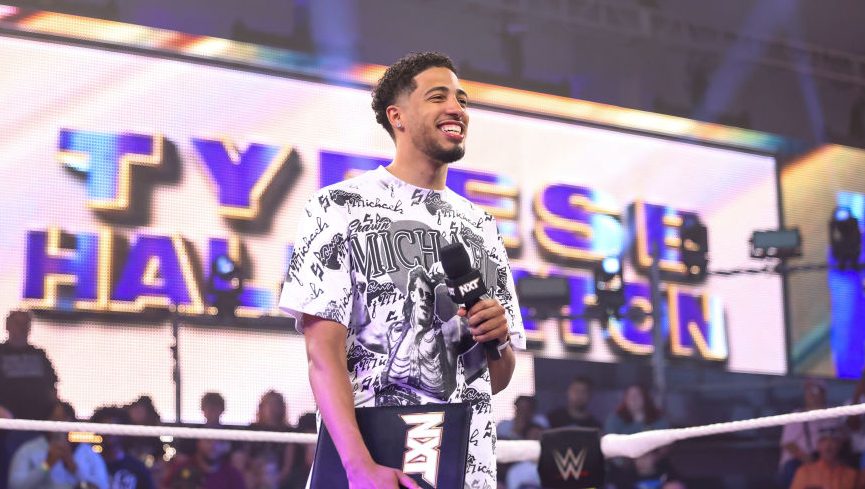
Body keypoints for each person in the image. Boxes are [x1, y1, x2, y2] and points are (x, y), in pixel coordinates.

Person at [279, 51, 526, 488]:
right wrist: (359, 468)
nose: (456, 108)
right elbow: (322, 356)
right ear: (398, 117)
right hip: (378, 464)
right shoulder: (338, 207)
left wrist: (497, 339)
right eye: (438, 97)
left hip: (467, 471)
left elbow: (496, 380)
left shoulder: (482, 226)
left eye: (462, 100)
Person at [8, 400, 109, 489]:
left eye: (64, 420)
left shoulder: (87, 452)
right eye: (55, 420)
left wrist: (74, 468)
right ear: (46, 421)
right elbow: (15, 486)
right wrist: (46, 465)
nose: (60, 426)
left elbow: (103, 486)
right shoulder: (28, 450)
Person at [778, 379, 844, 488]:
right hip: (800, 460)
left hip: (827, 459)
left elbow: (842, 437)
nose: (811, 394)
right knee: (792, 469)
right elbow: (788, 444)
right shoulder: (797, 415)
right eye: (808, 390)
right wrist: (807, 460)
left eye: (815, 390)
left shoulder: (832, 415)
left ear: (824, 393)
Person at [0, 310, 58, 420]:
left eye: (25, 324)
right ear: (8, 326)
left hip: (40, 414)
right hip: (6, 416)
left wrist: (57, 407)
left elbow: (52, 386)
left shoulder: (39, 354)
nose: (22, 328)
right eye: (18, 323)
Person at [91, 406, 154, 489]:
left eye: (114, 429)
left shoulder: (137, 468)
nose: (109, 434)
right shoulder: (90, 464)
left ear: (123, 432)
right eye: (105, 429)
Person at [162, 437, 246, 489]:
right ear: (198, 443)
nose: (213, 446)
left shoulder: (233, 474)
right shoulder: (181, 468)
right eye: (208, 441)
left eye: (219, 442)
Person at [790, 427, 858, 489]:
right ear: (818, 445)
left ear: (840, 445)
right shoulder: (804, 472)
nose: (828, 446)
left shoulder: (851, 475)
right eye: (823, 440)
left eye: (833, 440)